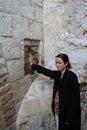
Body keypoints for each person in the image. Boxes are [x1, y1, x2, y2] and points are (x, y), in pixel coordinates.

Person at [28, 53, 81, 130]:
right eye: (56, 63)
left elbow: (75, 99)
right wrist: (33, 65)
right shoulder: (58, 74)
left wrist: (70, 118)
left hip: (67, 114)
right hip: (58, 110)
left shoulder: (72, 77)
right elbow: (46, 71)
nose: (57, 65)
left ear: (66, 63)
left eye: (59, 63)